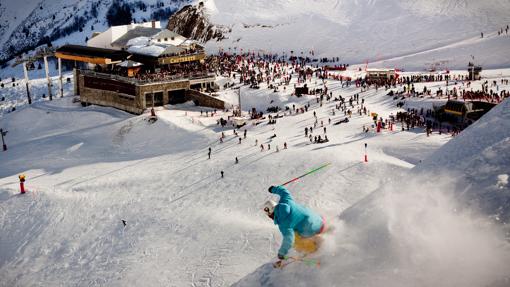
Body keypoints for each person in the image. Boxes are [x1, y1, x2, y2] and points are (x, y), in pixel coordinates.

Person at [264, 186, 326, 260]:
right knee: (306, 215)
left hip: (313, 231)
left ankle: (314, 247)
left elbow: (289, 239)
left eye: (268, 215)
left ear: (271, 213)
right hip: (321, 222)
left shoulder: (283, 224)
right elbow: (284, 191)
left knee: (294, 239)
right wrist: (273, 189)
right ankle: (322, 228)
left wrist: (282, 253)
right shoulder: (286, 200)